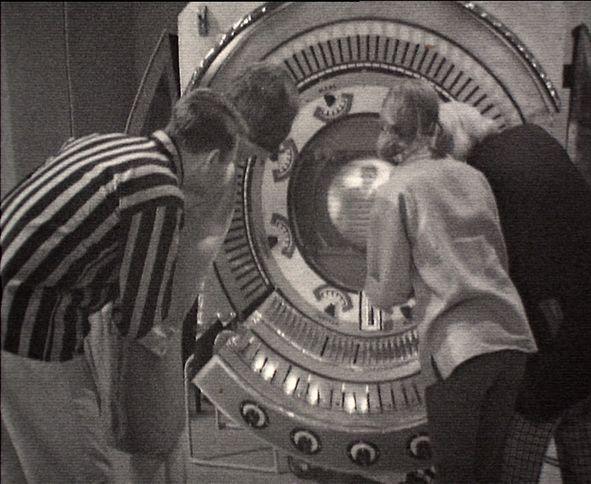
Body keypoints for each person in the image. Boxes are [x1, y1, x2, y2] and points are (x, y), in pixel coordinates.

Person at [1, 86, 249, 483]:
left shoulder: (100, 144)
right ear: (212, 159)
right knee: (80, 470)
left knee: (19, 466)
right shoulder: (159, 192)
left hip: (11, 311)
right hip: (34, 329)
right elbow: (138, 318)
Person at [363, 78, 537, 483]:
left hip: (460, 351)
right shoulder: (473, 177)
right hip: (511, 337)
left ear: (391, 131)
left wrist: (368, 285)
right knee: (490, 472)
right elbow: (499, 257)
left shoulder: (397, 190)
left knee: (457, 475)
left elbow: (388, 291)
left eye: (383, 126)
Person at [439, 100, 591, 484]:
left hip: (552, 334)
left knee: (517, 447)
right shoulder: (533, 138)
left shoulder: (478, 177)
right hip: (582, 315)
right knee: (579, 431)